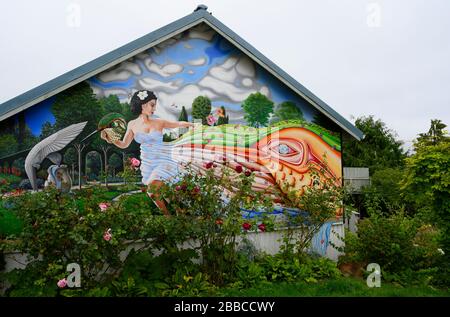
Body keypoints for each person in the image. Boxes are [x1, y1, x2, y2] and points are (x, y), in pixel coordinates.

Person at [101, 90, 194, 216]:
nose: (154, 108)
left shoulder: (159, 122)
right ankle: (180, 213)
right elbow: (124, 144)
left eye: (155, 105)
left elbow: (177, 124)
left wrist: (192, 125)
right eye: (152, 105)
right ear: (142, 105)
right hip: (148, 163)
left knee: (152, 190)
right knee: (162, 191)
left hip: (162, 159)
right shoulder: (132, 124)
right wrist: (111, 139)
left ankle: (168, 217)